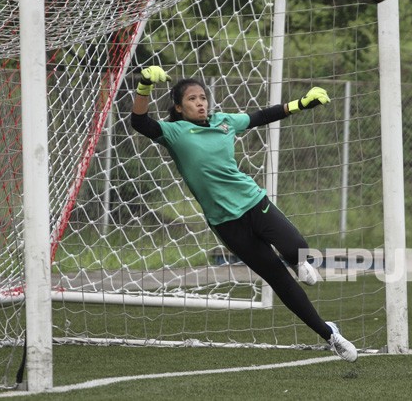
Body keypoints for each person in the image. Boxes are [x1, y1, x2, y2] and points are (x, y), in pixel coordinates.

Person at [129, 65, 358, 362]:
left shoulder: (225, 122)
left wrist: (301, 103)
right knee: (278, 279)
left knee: (299, 252)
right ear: (178, 107)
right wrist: (144, 86)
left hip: (254, 203)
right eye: (192, 99)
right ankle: (331, 335)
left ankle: (300, 263)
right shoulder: (173, 132)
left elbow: (262, 116)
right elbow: (139, 122)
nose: (200, 103)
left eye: (203, 97)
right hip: (226, 224)